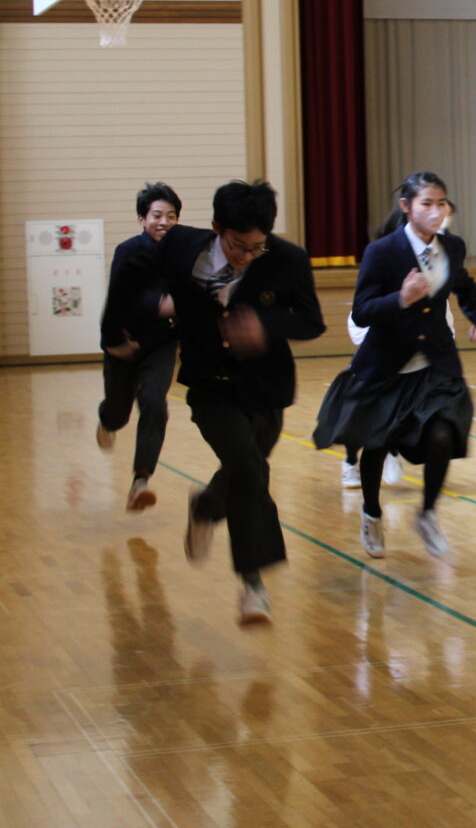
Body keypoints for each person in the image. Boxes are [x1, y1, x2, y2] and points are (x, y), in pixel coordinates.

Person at [107, 180, 325, 624]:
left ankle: (206, 506)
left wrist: (264, 324)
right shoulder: (181, 247)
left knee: (243, 468)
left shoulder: (288, 259)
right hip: (210, 386)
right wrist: (112, 333)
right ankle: (253, 585)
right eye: (238, 245)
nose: (247, 256)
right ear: (216, 228)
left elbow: (310, 320)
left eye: (257, 247)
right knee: (249, 468)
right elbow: (129, 275)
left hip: (267, 389)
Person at [312, 174, 476, 560]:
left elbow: (464, 285)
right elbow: (363, 309)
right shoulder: (382, 252)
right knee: (377, 445)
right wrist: (402, 298)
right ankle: (372, 513)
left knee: (443, 433)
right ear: (407, 207)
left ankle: (426, 514)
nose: (436, 211)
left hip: (435, 365)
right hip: (387, 364)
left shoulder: (453, 247)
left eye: (441, 203)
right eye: (427, 203)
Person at [339, 199, 459, 494]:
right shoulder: (384, 256)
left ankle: (392, 450)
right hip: (379, 355)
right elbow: (361, 314)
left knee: (422, 413)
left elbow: (442, 315)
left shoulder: (439, 261)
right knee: (358, 412)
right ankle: (350, 460)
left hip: (420, 359)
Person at [96, 182, 182, 511]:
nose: (164, 222)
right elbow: (117, 301)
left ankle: (141, 480)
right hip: (124, 342)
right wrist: (112, 342)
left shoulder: (183, 255)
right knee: (118, 412)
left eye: (171, 216)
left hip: (160, 343)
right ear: (142, 219)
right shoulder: (128, 251)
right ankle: (107, 422)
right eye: (157, 215)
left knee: (153, 401)